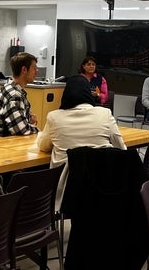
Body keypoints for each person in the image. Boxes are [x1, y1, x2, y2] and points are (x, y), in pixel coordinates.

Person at [37, 74, 125, 204]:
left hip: (68, 190)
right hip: (104, 187)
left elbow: (43, 146)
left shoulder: (54, 117)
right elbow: (121, 148)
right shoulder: (104, 114)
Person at [0, 52, 40, 137]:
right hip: (5, 145)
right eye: (34, 68)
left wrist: (27, 119)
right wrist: (42, 133)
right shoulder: (15, 96)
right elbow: (22, 130)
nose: (36, 72)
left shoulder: (6, 87)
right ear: (24, 70)